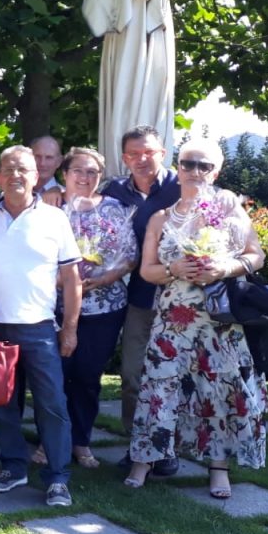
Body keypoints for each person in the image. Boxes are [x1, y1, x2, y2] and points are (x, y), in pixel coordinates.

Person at [124, 141, 268, 498]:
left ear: (216, 171)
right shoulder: (161, 217)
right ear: (178, 166)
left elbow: (256, 255)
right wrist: (173, 268)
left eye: (204, 166)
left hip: (219, 320)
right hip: (173, 321)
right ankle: (144, 460)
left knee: (217, 391)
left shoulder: (227, 209)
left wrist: (225, 266)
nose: (195, 171)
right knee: (159, 386)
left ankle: (218, 469)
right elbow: (146, 270)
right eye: (188, 164)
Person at [0, 146, 82, 507]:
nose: (15, 176)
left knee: (51, 405)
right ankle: (13, 468)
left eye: (22, 169)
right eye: (7, 169)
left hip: (39, 328)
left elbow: (72, 279)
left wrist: (69, 328)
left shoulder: (55, 219)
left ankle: (57, 478)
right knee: (2, 405)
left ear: (36, 175)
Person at [43, 148, 136, 468]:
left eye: (92, 173)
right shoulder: (50, 207)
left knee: (87, 376)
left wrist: (106, 276)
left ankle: (80, 441)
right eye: (78, 171)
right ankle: (50, 441)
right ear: (64, 175)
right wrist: (59, 280)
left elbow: (129, 255)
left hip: (104, 307)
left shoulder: (115, 209)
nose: (84, 178)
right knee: (54, 377)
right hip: (54, 306)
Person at [102, 125, 181, 475]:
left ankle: (167, 448)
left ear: (162, 153)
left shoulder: (183, 186)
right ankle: (138, 446)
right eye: (133, 154)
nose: (141, 159)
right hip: (137, 298)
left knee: (174, 376)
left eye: (148, 152)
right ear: (124, 158)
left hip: (181, 299)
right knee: (134, 374)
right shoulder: (115, 191)